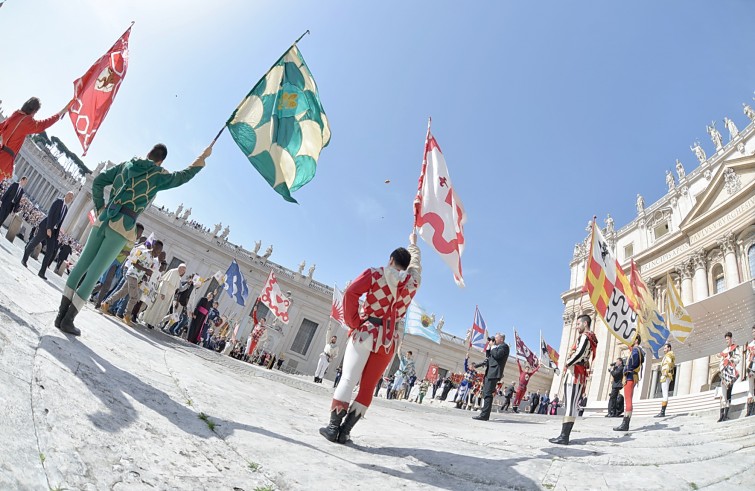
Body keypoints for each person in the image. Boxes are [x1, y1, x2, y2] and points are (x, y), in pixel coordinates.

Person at [54, 143, 211, 335]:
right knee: (94, 272)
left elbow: (98, 182)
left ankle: (60, 316)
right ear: (161, 160)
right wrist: (201, 159)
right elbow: (182, 177)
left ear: (148, 154)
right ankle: (68, 320)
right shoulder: (157, 175)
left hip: (103, 219)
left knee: (80, 266)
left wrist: (100, 207)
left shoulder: (127, 165)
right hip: (122, 227)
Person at [319, 233, 421, 444]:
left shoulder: (375, 274)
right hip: (389, 341)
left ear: (391, 260)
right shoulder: (413, 283)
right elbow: (416, 266)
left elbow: (351, 293)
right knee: (368, 387)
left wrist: (354, 321)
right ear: (408, 265)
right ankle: (345, 432)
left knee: (348, 378)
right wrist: (414, 245)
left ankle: (332, 428)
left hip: (366, 332)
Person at [549, 314, 598, 445]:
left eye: (578, 324)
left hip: (575, 372)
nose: (577, 327)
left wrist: (567, 363)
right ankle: (563, 435)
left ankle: (564, 436)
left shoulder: (585, 337)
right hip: (577, 372)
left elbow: (580, 353)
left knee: (570, 404)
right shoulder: (589, 338)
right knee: (571, 404)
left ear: (585, 323)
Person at [0, 97, 71, 181]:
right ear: (33, 111)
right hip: (5, 158)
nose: (34, 115)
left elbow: (2, 126)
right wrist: (60, 113)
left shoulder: (16, 114)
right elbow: (44, 124)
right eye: (35, 112)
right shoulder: (27, 121)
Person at [100, 240, 163, 325]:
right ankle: (126, 316)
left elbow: (143, 267)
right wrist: (146, 270)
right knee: (134, 297)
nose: (158, 253)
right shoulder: (145, 253)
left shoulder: (152, 258)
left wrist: (144, 274)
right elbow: (134, 263)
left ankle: (106, 304)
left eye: (160, 252)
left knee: (122, 292)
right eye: (158, 251)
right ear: (154, 247)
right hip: (132, 275)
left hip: (137, 277)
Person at [22, 191, 73, 279]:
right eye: (70, 196)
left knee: (50, 251)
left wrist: (56, 234)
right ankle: (24, 259)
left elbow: (60, 222)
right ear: (66, 195)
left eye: (72, 198)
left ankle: (42, 272)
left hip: (54, 232)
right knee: (34, 243)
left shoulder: (66, 209)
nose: (70, 199)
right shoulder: (58, 201)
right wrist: (49, 228)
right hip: (46, 227)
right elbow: (50, 214)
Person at [472, 333, 510, 421]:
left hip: (494, 373)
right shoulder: (495, 348)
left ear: (501, 339)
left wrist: (493, 346)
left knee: (488, 393)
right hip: (490, 372)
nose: (494, 340)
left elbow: (497, 355)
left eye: (495, 338)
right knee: (486, 393)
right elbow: (489, 357)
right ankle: (484, 413)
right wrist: (489, 347)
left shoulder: (504, 347)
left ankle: (484, 415)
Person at [615, 335, 645, 432]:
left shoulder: (636, 351)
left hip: (630, 376)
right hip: (633, 376)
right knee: (629, 399)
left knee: (628, 400)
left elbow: (631, 363)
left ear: (636, 340)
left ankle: (625, 423)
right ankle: (625, 422)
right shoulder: (638, 350)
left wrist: (626, 369)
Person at [142, 263, 185, 328]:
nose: (182, 272)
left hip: (169, 296)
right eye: (182, 270)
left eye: (184, 271)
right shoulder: (173, 271)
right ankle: (150, 322)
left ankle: (153, 323)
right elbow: (165, 282)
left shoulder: (178, 276)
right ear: (179, 268)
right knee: (156, 308)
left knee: (162, 311)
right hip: (164, 294)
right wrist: (163, 293)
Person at [717, 331, 740, 422]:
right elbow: (720, 358)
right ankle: (721, 415)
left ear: (731, 339)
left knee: (728, 392)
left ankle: (726, 413)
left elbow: (738, 358)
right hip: (723, 373)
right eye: (725, 339)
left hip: (730, 372)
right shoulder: (724, 350)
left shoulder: (735, 348)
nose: (726, 341)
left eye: (728, 339)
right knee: (722, 394)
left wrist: (730, 360)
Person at [655, 343, 675, 417]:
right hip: (666, 375)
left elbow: (669, 363)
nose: (664, 350)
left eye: (665, 348)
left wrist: (666, 371)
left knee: (665, 393)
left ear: (669, 348)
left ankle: (662, 412)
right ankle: (662, 411)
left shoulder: (668, 355)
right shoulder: (668, 355)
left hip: (665, 375)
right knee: (665, 393)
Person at [745, 326, 755, 417]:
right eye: (753, 332)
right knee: (750, 389)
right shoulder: (750, 345)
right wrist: (748, 367)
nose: (753, 333)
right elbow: (748, 357)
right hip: (751, 369)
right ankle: (749, 410)